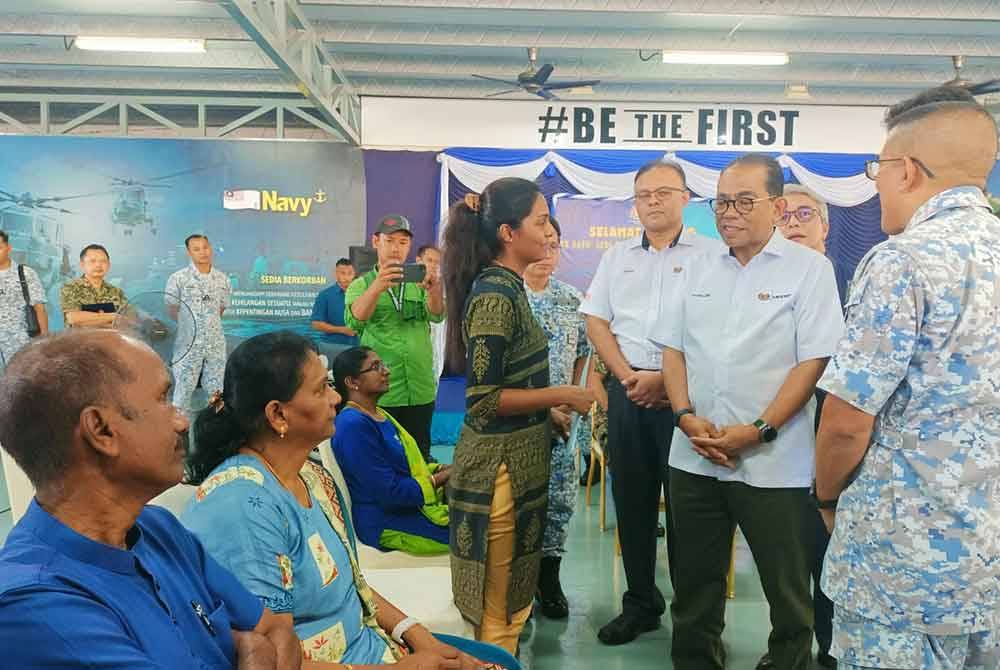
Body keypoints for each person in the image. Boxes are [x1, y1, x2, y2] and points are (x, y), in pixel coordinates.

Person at [181, 331, 508, 669]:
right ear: (278, 415)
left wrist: (417, 635)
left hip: (373, 647)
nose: (336, 398)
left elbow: (351, 584)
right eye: (322, 389)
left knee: (498, 662)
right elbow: (271, 660)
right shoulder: (244, 508)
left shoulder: (310, 475)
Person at [815, 87, 1000, 670]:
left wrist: (825, 498)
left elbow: (846, 421)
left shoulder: (902, 260)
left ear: (909, 171)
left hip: (901, 565)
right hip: (988, 561)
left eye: (879, 168)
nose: (875, 184)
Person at [0, 330, 301, 669]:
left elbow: (278, 630)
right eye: (163, 398)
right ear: (101, 430)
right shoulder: (37, 607)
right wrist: (252, 647)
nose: (182, 420)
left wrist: (258, 643)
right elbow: (266, 640)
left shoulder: (158, 529)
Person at [654, 154, 844, 670]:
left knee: (787, 592)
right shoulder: (694, 266)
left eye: (743, 201)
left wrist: (759, 430)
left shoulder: (809, 270)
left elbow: (814, 360)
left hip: (774, 463)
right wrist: (684, 415)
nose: (728, 212)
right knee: (693, 585)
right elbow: (672, 350)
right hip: (693, 455)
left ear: (778, 207)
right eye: (720, 201)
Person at [441, 179, 594, 653]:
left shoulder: (508, 289)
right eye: (541, 221)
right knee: (497, 609)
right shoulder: (494, 296)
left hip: (518, 462)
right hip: (498, 472)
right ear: (508, 232)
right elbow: (485, 399)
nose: (549, 234)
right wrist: (562, 393)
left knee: (508, 605)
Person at [580, 159, 719, 646]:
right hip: (628, 393)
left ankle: (694, 616)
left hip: (689, 398)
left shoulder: (714, 255)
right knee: (632, 500)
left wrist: (667, 379)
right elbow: (597, 321)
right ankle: (640, 602)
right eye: (643, 194)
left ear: (686, 198)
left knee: (690, 509)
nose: (653, 202)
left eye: (663, 192)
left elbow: (719, 328)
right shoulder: (617, 257)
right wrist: (628, 377)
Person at [768, 183, 848, 669]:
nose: (793, 222)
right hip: (775, 451)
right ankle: (786, 649)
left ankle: (830, 650)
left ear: (825, 226)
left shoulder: (854, 291)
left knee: (829, 564)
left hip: (834, 455)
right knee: (784, 567)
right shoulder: (761, 289)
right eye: (784, 214)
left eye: (804, 213)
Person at [523, 217, 591, 619]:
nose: (547, 253)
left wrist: (569, 400)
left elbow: (583, 350)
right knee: (519, 502)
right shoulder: (509, 297)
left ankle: (549, 581)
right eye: (542, 243)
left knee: (559, 502)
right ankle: (518, 585)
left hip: (566, 420)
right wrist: (544, 406)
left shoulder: (571, 298)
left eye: (555, 245)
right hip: (522, 417)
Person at [332, 346, 449, 555]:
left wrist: (441, 468)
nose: (386, 371)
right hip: (387, 522)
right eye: (375, 367)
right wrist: (441, 478)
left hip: (406, 509)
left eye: (383, 365)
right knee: (479, 531)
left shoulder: (378, 415)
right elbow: (390, 492)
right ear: (352, 382)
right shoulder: (353, 425)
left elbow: (405, 467)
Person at [346, 215, 444, 464]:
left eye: (402, 242)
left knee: (419, 455)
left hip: (420, 386)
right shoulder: (361, 284)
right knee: (383, 457)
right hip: (382, 390)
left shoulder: (418, 282)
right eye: (389, 240)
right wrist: (377, 287)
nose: (395, 248)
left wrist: (434, 290)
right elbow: (354, 321)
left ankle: (421, 501)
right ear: (376, 242)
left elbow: (436, 315)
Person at [166, 234, 232, 413]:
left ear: (211, 248)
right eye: (196, 249)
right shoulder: (178, 278)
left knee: (217, 392)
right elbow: (172, 309)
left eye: (205, 247)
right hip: (188, 344)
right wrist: (190, 326)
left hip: (215, 344)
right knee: (182, 393)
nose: (202, 252)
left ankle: (214, 430)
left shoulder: (223, 279)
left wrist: (208, 326)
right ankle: (180, 436)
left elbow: (220, 309)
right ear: (189, 252)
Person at [778, 184, 852, 304]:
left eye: (805, 213)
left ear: (825, 229)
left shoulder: (852, 280)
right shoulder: (762, 282)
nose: (793, 223)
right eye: (782, 217)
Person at [0, 229, 48, 367]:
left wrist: (44, 342)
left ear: (8, 248)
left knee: (20, 383)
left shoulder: (25, 273)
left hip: (18, 341)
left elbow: (40, 309)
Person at [60, 243, 127, 328]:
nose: (98, 265)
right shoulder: (70, 288)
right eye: (92, 261)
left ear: (109, 265)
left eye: (103, 261)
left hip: (110, 339)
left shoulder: (117, 292)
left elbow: (128, 318)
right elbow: (74, 319)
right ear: (82, 264)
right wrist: (114, 317)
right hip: (80, 340)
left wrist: (91, 319)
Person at [311, 258, 359, 363]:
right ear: (336, 274)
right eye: (343, 273)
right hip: (333, 347)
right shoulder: (325, 295)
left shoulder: (362, 294)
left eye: (350, 273)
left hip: (359, 346)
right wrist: (342, 330)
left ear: (354, 273)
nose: (347, 277)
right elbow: (316, 324)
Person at [416, 244, 447, 386]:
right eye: (430, 260)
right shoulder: (406, 287)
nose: (434, 265)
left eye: (438, 262)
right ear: (418, 261)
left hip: (436, 348)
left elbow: (438, 316)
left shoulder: (443, 288)